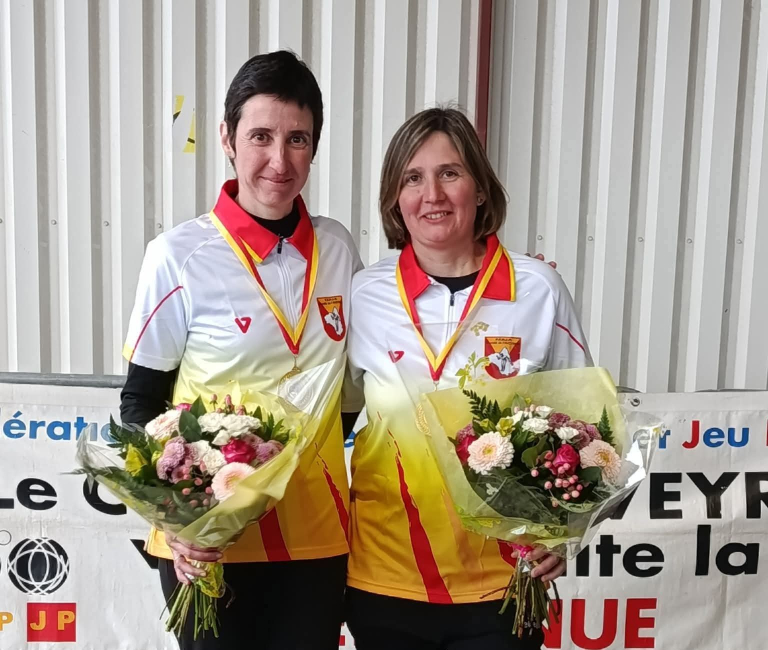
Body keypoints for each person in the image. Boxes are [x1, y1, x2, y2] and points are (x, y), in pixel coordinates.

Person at [120, 50, 361, 650]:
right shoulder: (178, 256)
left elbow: (350, 395)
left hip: (315, 538)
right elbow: (140, 403)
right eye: (261, 136)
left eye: (298, 139)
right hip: (209, 542)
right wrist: (176, 517)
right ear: (227, 138)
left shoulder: (337, 248)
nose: (280, 160)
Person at [343, 108, 593, 650]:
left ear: (480, 189)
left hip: (503, 580)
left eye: (449, 173)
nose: (431, 194)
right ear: (394, 198)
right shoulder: (364, 293)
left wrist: (563, 531)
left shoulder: (538, 288)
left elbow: (587, 427)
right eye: (413, 178)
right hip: (384, 576)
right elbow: (332, 414)